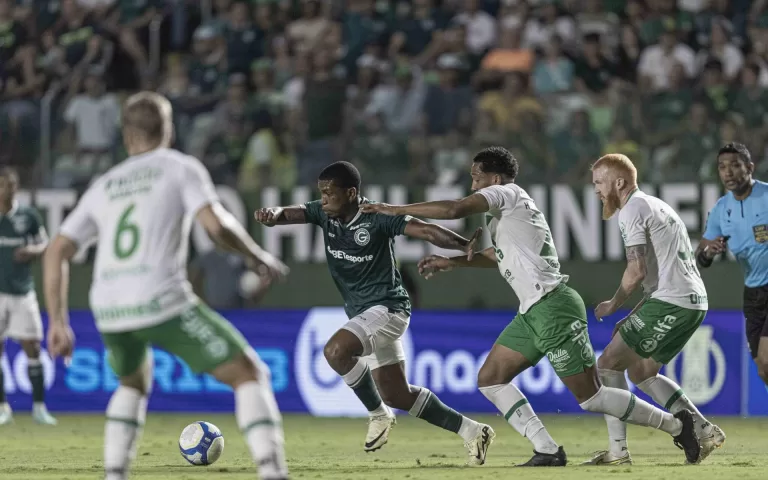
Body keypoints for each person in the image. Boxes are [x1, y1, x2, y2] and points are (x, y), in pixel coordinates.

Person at [361, 146, 701, 466]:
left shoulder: (506, 193)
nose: (473, 184)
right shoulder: (507, 214)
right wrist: (454, 262)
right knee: (491, 378)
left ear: (494, 178)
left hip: (553, 306)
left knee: (591, 397)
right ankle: (547, 449)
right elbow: (500, 255)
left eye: (476, 177)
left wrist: (395, 209)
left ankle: (676, 426)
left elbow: (454, 209)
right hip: (532, 311)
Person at [42, 92, 291, 480]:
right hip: (159, 298)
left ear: (126, 135)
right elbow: (217, 225)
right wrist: (257, 256)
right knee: (248, 373)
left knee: (132, 382)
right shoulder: (179, 167)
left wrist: (57, 322)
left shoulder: (105, 183)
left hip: (108, 307)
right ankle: (273, 471)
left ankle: (114, 472)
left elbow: (56, 250)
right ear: (169, 130)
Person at [254, 161, 496, 465]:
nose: (324, 198)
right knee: (397, 394)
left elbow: (425, 230)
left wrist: (462, 244)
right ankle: (473, 431)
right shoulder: (323, 213)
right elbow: (290, 213)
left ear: (352, 192)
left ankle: (378, 415)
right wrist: (273, 215)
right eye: (321, 192)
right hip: (365, 313)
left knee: (335, 351)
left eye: (330, 192)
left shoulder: (377, 217)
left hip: (389, 308)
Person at [589, 153, 725, 465]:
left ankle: (618, 451)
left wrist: (613, 303)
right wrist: (633, 313)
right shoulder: (657, 205)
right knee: (642, 371)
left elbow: (635, 271)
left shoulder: (631, 210)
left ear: (619, 182)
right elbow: (657, 276)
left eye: (599, 181)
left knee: (608, 365)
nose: (596, 189)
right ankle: (703, 430)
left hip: (671, 302)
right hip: (691, 301)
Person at [697, 143, 768, 387]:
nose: (728, 172)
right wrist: (709, 253)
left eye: (735, 166)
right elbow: (701, 258)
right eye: (722, 167)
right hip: (753, 293)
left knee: (767, 359)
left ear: (750, 167)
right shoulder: (719, 211)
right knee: (762, 367)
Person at [0, 167, 57, 426]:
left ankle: (39, 407)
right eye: (1, 184)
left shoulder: (29, 216)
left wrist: (30, 251)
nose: (5, 189)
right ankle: (3, 408)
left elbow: (46, 244)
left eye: (9, 184)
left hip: (23, 292)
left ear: (16, 187)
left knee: (32, 347)